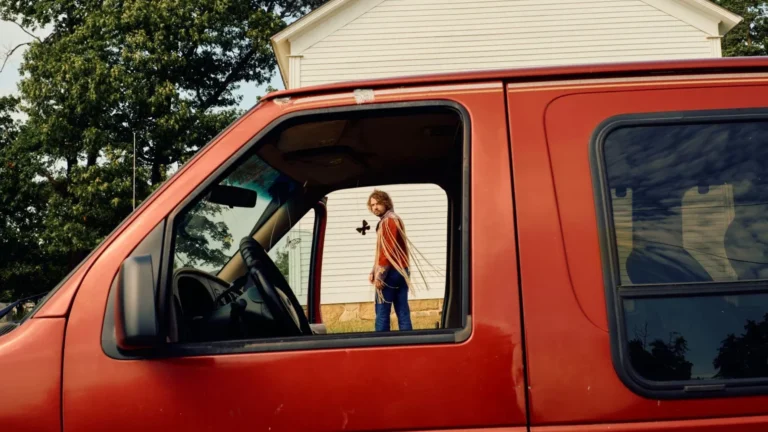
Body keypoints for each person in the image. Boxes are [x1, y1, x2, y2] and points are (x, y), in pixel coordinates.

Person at [367, 189, 413, 331]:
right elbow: (384, 250)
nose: (375, 207)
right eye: (372, 204)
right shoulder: (395, 219)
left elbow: (386, 251)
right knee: (402, 310)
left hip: (391, 272)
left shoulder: (388, 221)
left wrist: (380, 275)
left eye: (378, 203)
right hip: (402, 270)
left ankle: (381, 345)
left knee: (382, 311)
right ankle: (408, 344)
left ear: (386, 203)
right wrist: (373, 270)